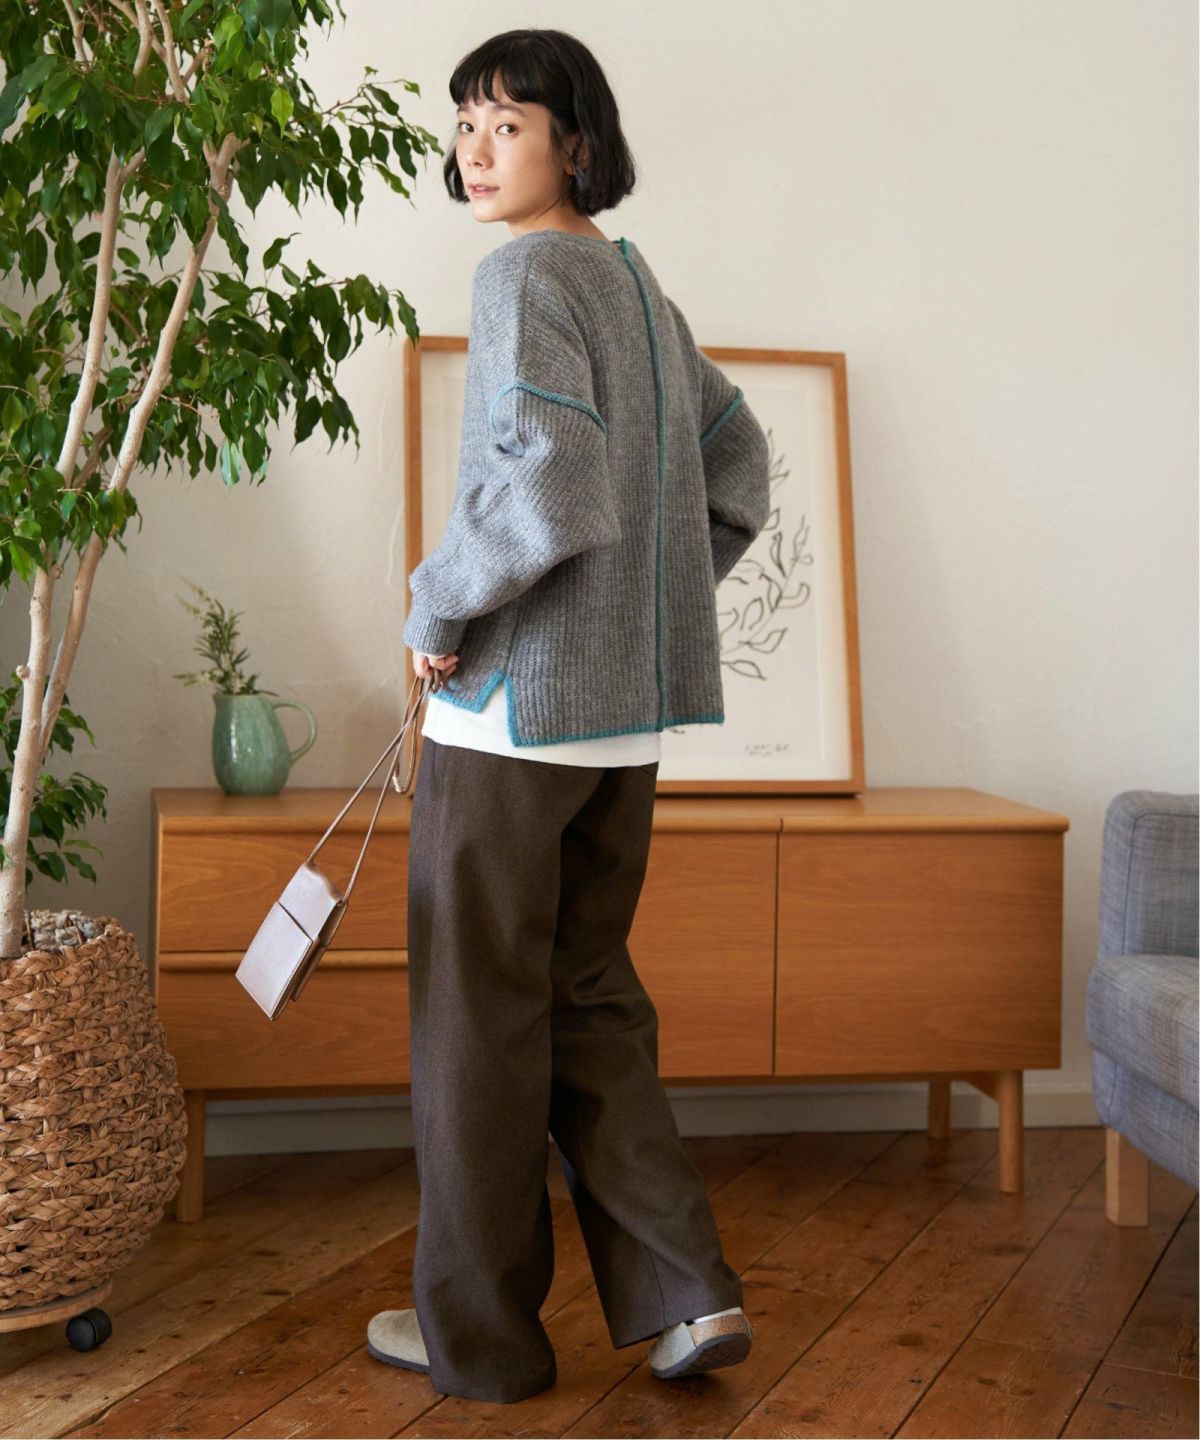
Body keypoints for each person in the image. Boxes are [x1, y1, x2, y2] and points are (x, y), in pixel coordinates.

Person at [366, 28, 771, 1405]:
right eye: (465, 124)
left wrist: (436, 608)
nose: (477, 152)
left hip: (510, 723)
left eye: (510, 125)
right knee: (589, 999)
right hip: (622, 727)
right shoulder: (636, 287)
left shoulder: (525, 274)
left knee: (477, 1023)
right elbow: (738, 461)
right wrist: (651, 607)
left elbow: (547, 480)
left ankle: (479, 1338)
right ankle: (688, 1294)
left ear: (575, 144)